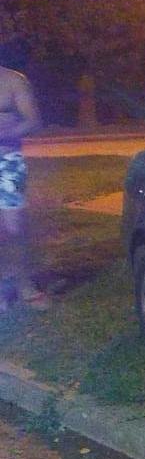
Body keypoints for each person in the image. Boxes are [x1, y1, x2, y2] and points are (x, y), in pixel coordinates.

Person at [0, 65, 47, 310]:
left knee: (14, 227)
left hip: (6, 162)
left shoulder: (13, 80)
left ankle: (24, 282)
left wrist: (5, 132)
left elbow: (33, 122)